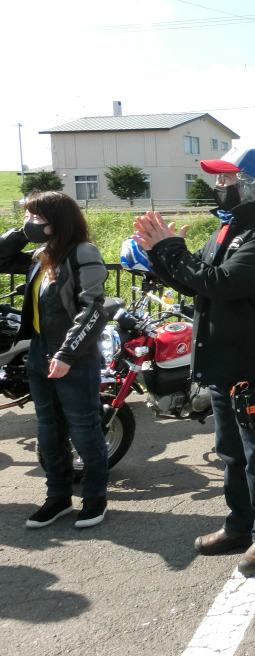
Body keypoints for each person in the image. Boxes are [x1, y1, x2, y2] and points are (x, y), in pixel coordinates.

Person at [133, 146, 255, 578]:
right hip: (227, 364)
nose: (218, 185)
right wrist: (159, 254)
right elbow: (196, 284)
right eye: (218, 178)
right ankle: (241, 525)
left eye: (227, 178)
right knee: (231, 452)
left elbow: (220, 283)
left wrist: (171, 249)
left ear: (252, 186)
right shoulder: (228, 229)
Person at [0, 191, 110, 529]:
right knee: (48, 432)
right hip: (38, 352)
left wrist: (67, 353)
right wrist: (23, 232)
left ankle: (95, 497)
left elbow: (94, 308)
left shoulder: (82, 252)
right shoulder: (41, 254)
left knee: (84, 430)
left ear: (58, 221)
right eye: (27, 216)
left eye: (36, 217)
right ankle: (58, 497)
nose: (29, 223)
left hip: (73, 357)